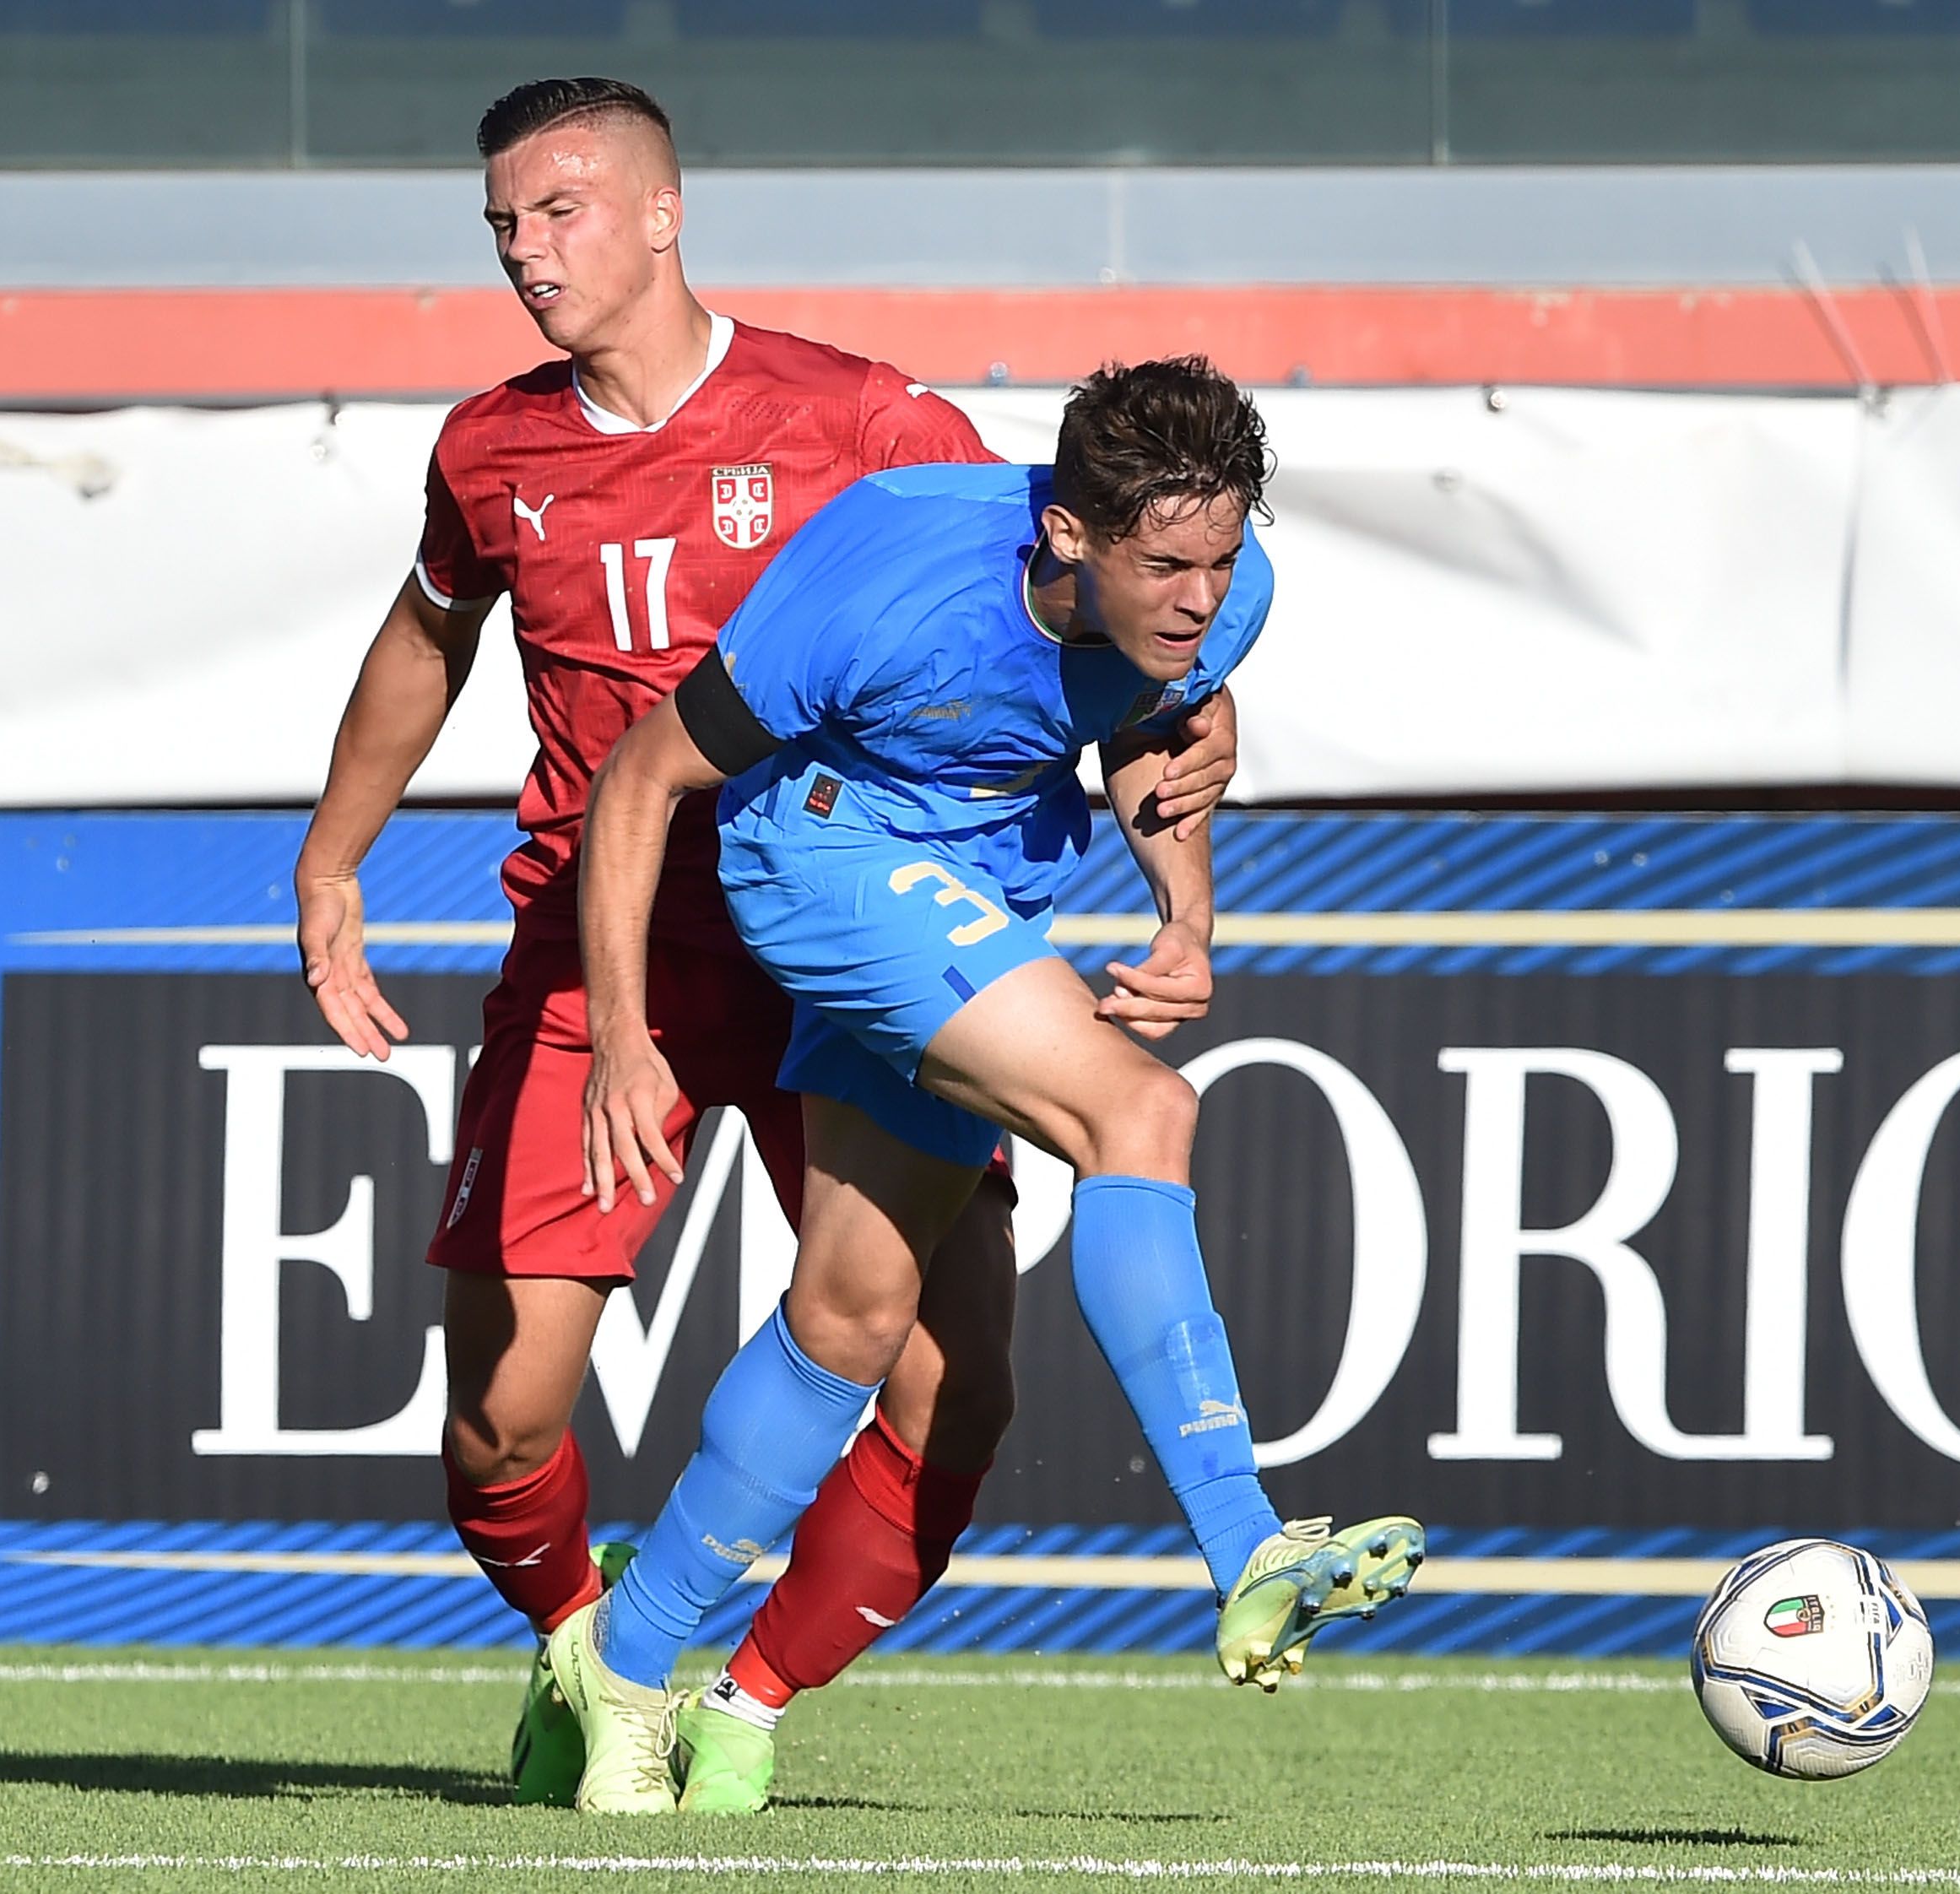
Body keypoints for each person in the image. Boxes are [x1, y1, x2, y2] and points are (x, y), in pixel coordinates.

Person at [290, 78, 1243, 1812]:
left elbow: (1071, 611)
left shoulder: (865, 420)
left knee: (954, 1396)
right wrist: (333, 858)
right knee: (501, 1422)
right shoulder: (489, 449)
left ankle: (743, 1698)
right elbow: (427, 638)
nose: (525, 250)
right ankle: (596, 1665)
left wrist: (1199, 732)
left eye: (561, 209)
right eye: (503, 222)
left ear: (665, 214)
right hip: (606, 957)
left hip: (849, 943)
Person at [563, 357, 1427, 1816]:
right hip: (821, 861)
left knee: (856, 1322)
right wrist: (620, 1037)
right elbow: (643, 777)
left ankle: (640, 1673)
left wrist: (1187, 919)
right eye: (1168, 564)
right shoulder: (889, 568)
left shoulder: (1224, 591)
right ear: (1067, 535)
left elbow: (1161, 738)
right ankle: (1250, 1542)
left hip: (976, 899)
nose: (1202, 596)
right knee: (1142, 1109)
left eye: (1221, 558)